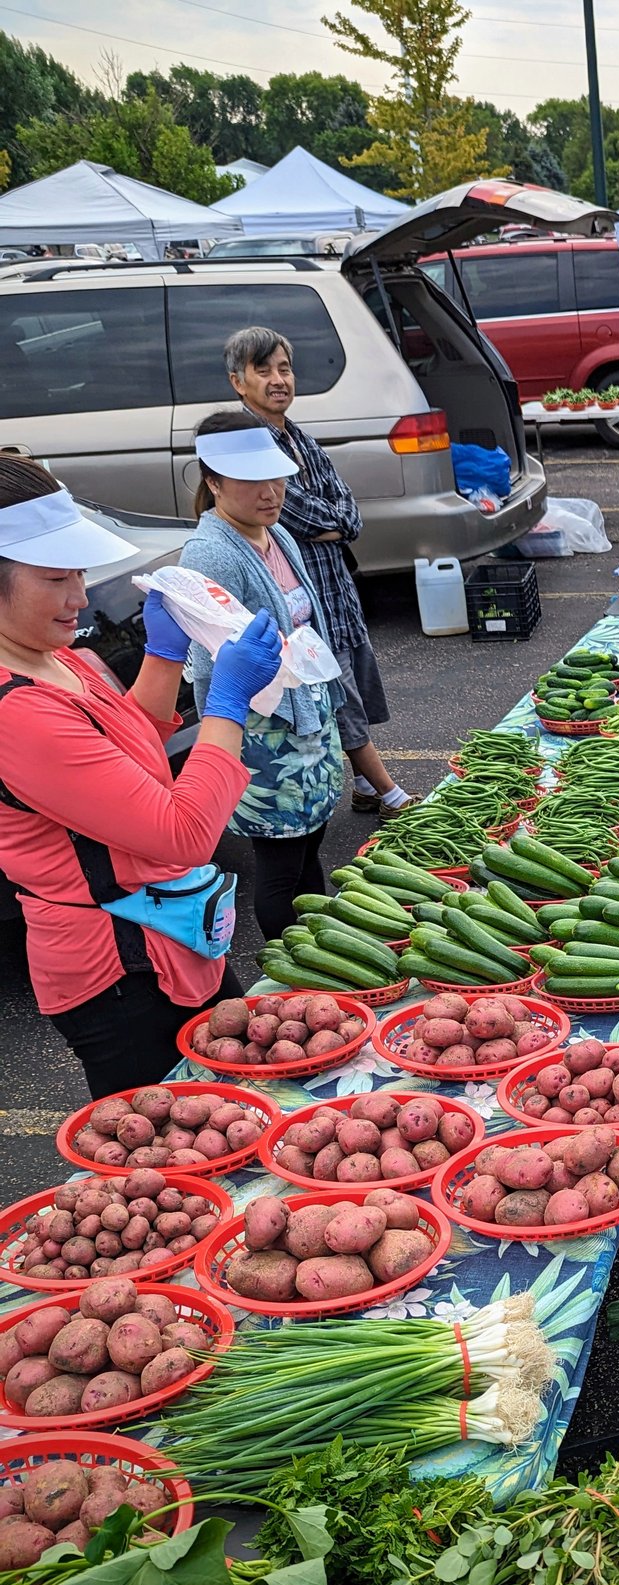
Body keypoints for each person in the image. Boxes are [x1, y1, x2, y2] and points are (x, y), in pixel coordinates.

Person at [0, 455, 283, 1094]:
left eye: (77, 571)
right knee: (164, 1145)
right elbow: (180, 832)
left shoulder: (62, 660)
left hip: (173, 926)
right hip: (120, 966)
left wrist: (163, 656)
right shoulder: (15, 713)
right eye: (53, 579)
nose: (79, 596)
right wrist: (227, 703)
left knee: (237, 1092)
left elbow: (131, 748)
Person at [223, 325, 412, 819]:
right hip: (301, 598)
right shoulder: (249, 442)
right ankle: (390, 792)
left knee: (353, 684)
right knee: (338, 692)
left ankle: (366, 789)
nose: (277, 379)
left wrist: (337, 525)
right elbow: (298, 514)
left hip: (335, 590)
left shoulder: (296, 435)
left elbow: (348, 511)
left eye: (284, 369)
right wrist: (336, 524)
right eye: (262, 371)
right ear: (238, 382)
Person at [178, 413, 346, 941]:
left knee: (311, 842)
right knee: (279, 859)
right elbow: (209, 666)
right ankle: (288, 967)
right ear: (213, 482)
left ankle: (321, 952)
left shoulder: (277, 536)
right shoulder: (210, 553)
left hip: (306, 718)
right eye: (251, 481)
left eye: (276, 477)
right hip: (262, 734)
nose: (271, 492)